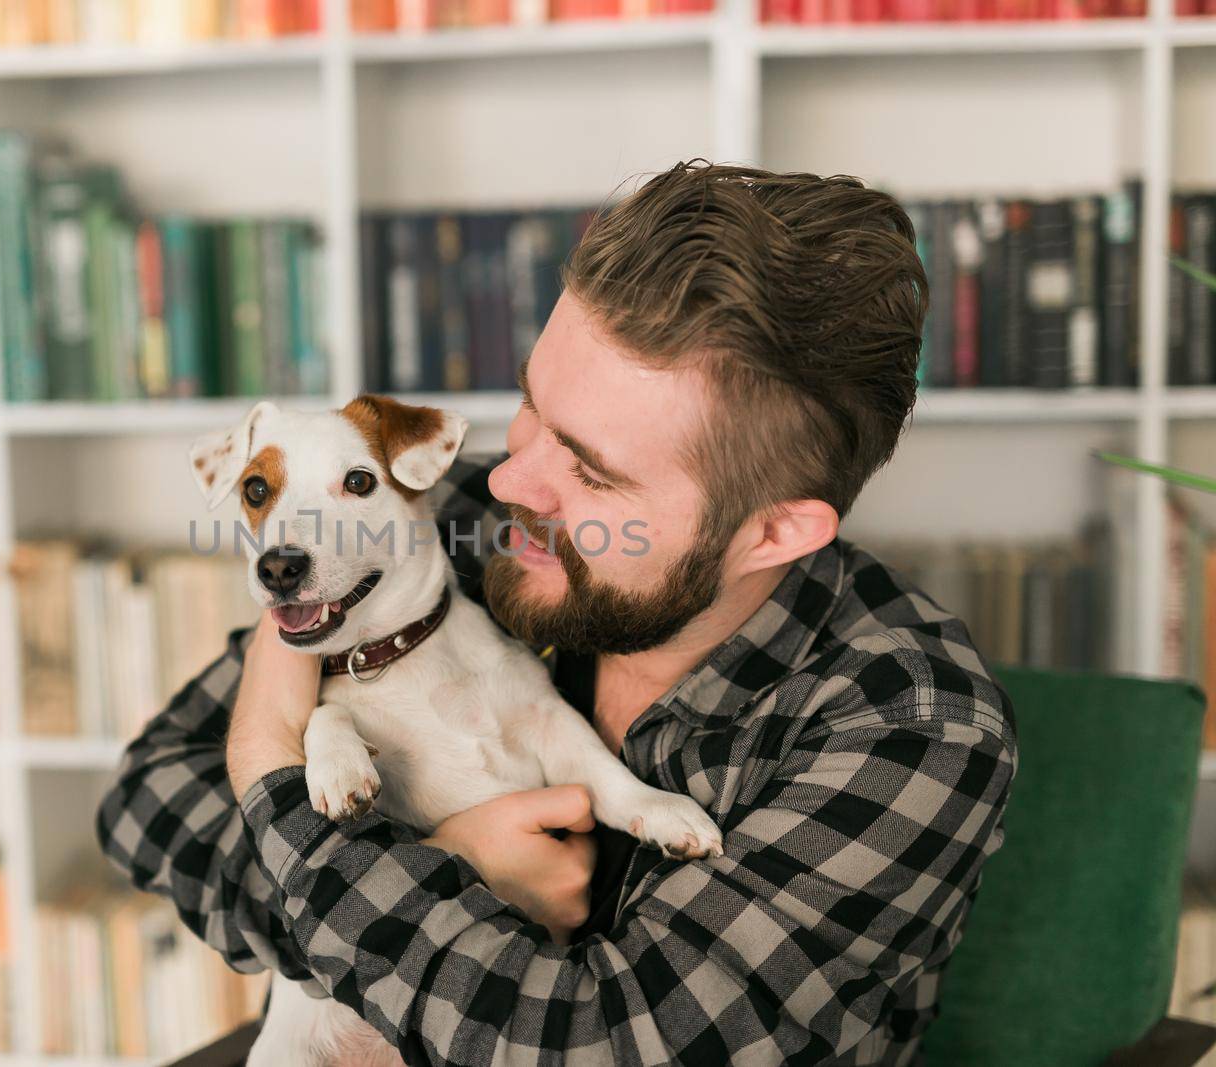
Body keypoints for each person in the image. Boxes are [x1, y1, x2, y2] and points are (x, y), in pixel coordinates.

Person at [97, 158, 1017, 1066]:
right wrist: (450, 863)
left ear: (774, 531)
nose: (507, 478)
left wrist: (269, 761)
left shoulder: (914, 721)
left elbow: (598, 1041)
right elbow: (145, 797)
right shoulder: (435, 521)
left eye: (591, 470)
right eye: (532, 405)